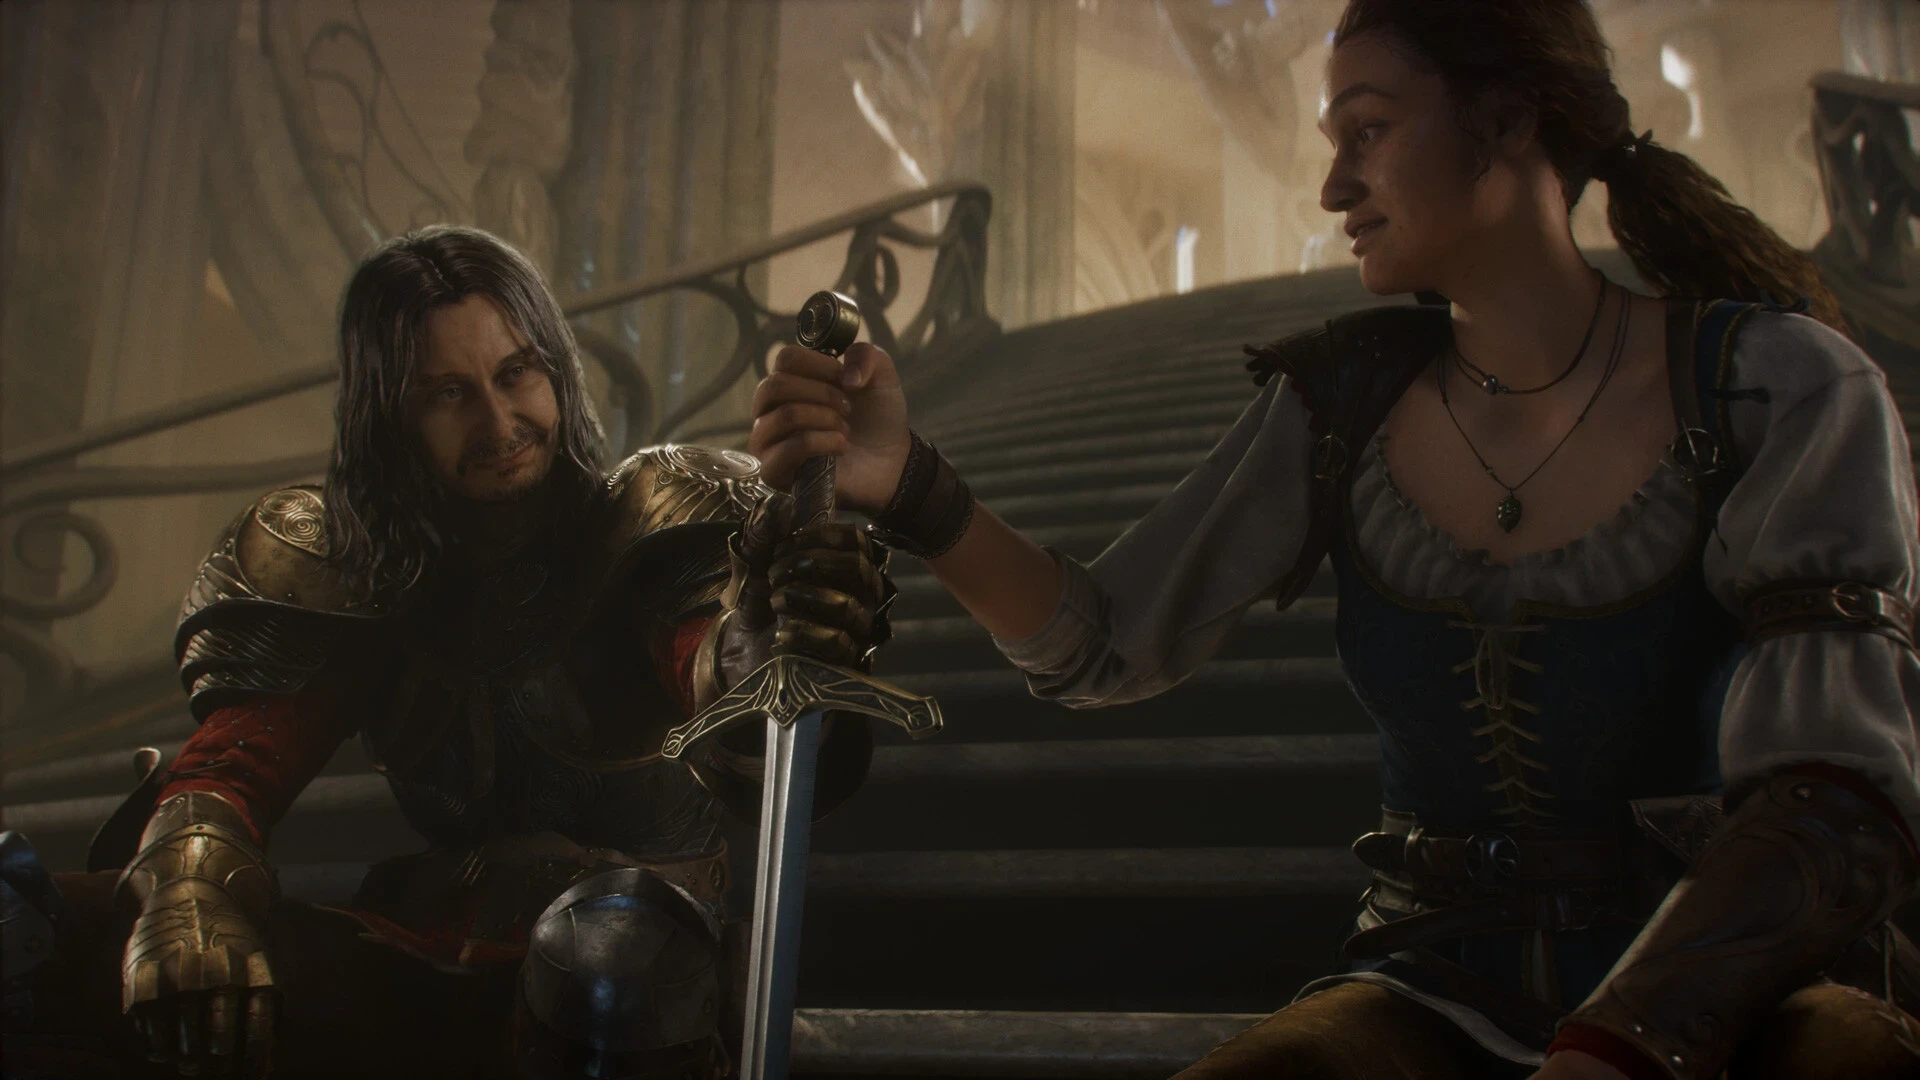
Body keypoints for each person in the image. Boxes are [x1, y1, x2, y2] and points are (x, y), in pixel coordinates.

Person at [744, 2, 1920, 1078]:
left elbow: (1832, 803)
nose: (1331, 187)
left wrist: (1617, 1045)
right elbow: (1102, 642)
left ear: (1508, 120)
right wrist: (908, 487)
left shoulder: (1775, 387)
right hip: (1432, 990)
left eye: (1368, 130)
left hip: (1736, 1005)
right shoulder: (1339, 406)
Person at [5, 225, 889, 1079]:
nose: (499, 421)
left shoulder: (642, 528)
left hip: (633, 976)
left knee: (610, 962)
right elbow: (230, 771)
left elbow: (719, 683)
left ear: (555, 371)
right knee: (29, 924)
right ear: (389, 417)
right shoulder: (361, 575)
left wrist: (759, 646)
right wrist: (189, 893)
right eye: (447, 393)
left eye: (516, 374)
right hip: (426, 955)